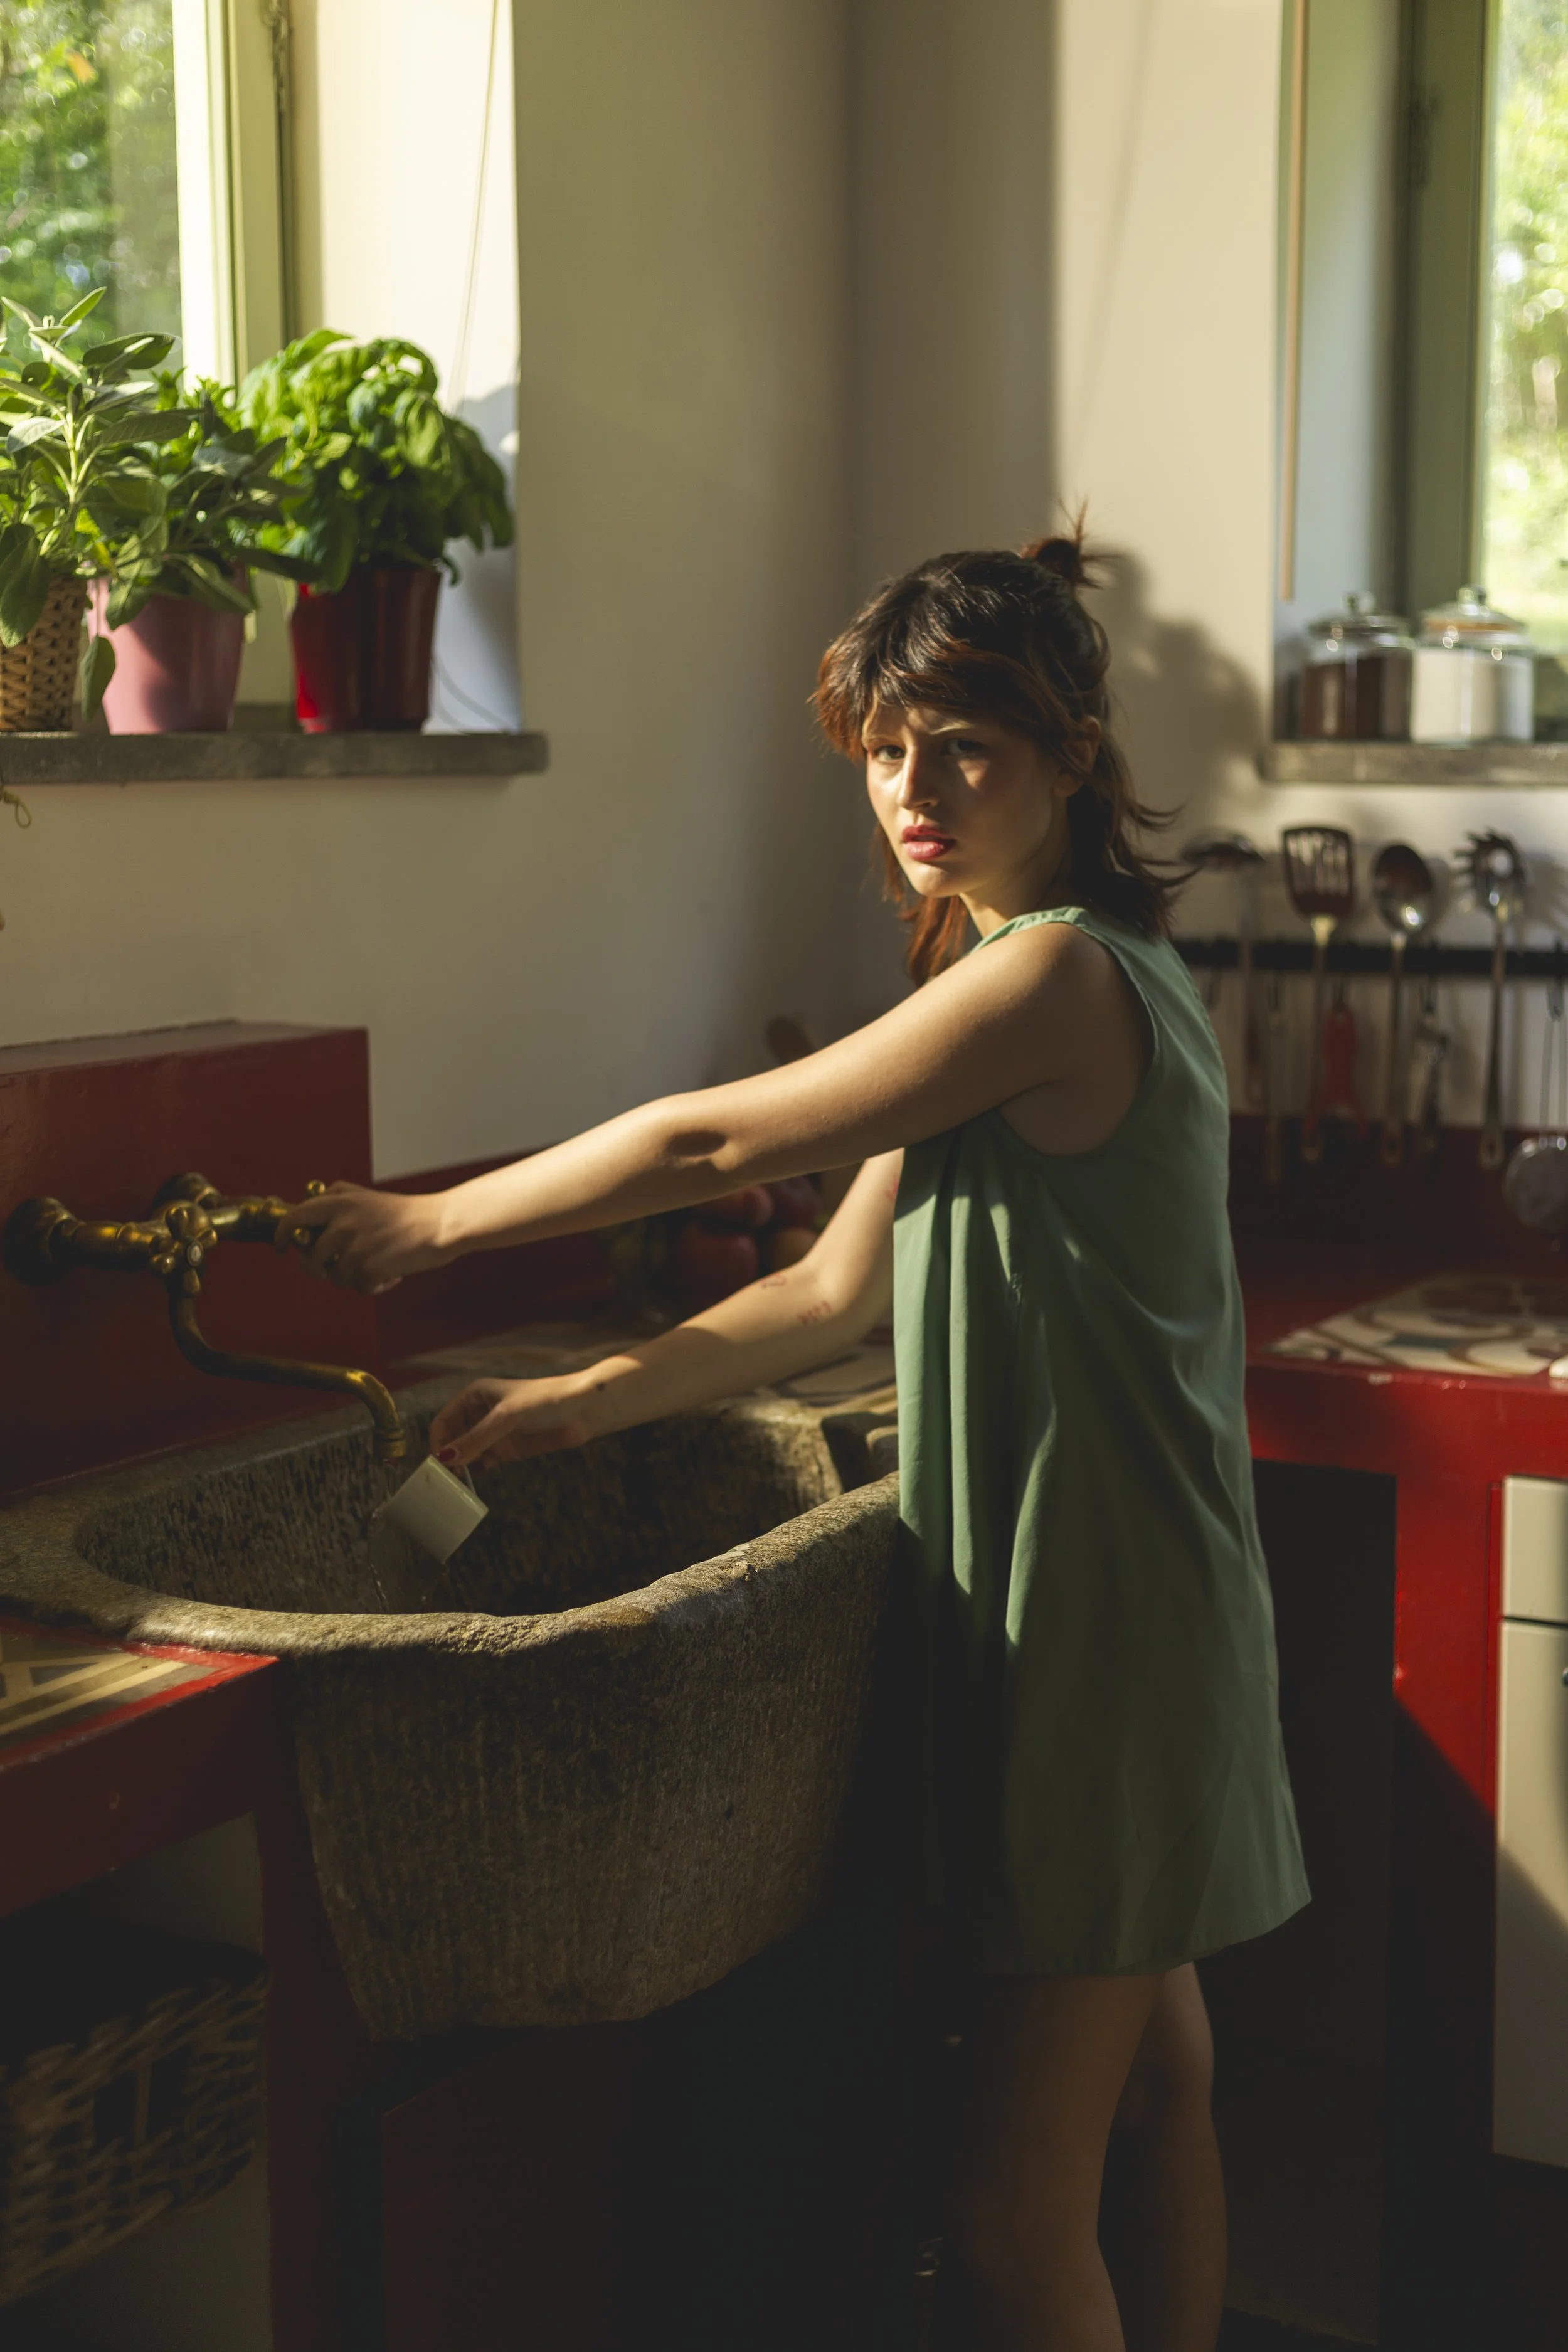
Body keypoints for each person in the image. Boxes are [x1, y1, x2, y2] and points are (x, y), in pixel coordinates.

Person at [285, 527, 1308, 2352]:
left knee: (1006, 2221)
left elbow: (707, 1150)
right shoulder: (1010, 990)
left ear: (1076, 752)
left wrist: (435, 1226)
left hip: (1102, 1642)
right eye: (886, 747)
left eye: (964, 746)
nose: (912, 790)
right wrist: (582, 1402)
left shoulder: (1051, 985)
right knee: (1159, 2091)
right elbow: (828, 1293)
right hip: (1129, 1619)